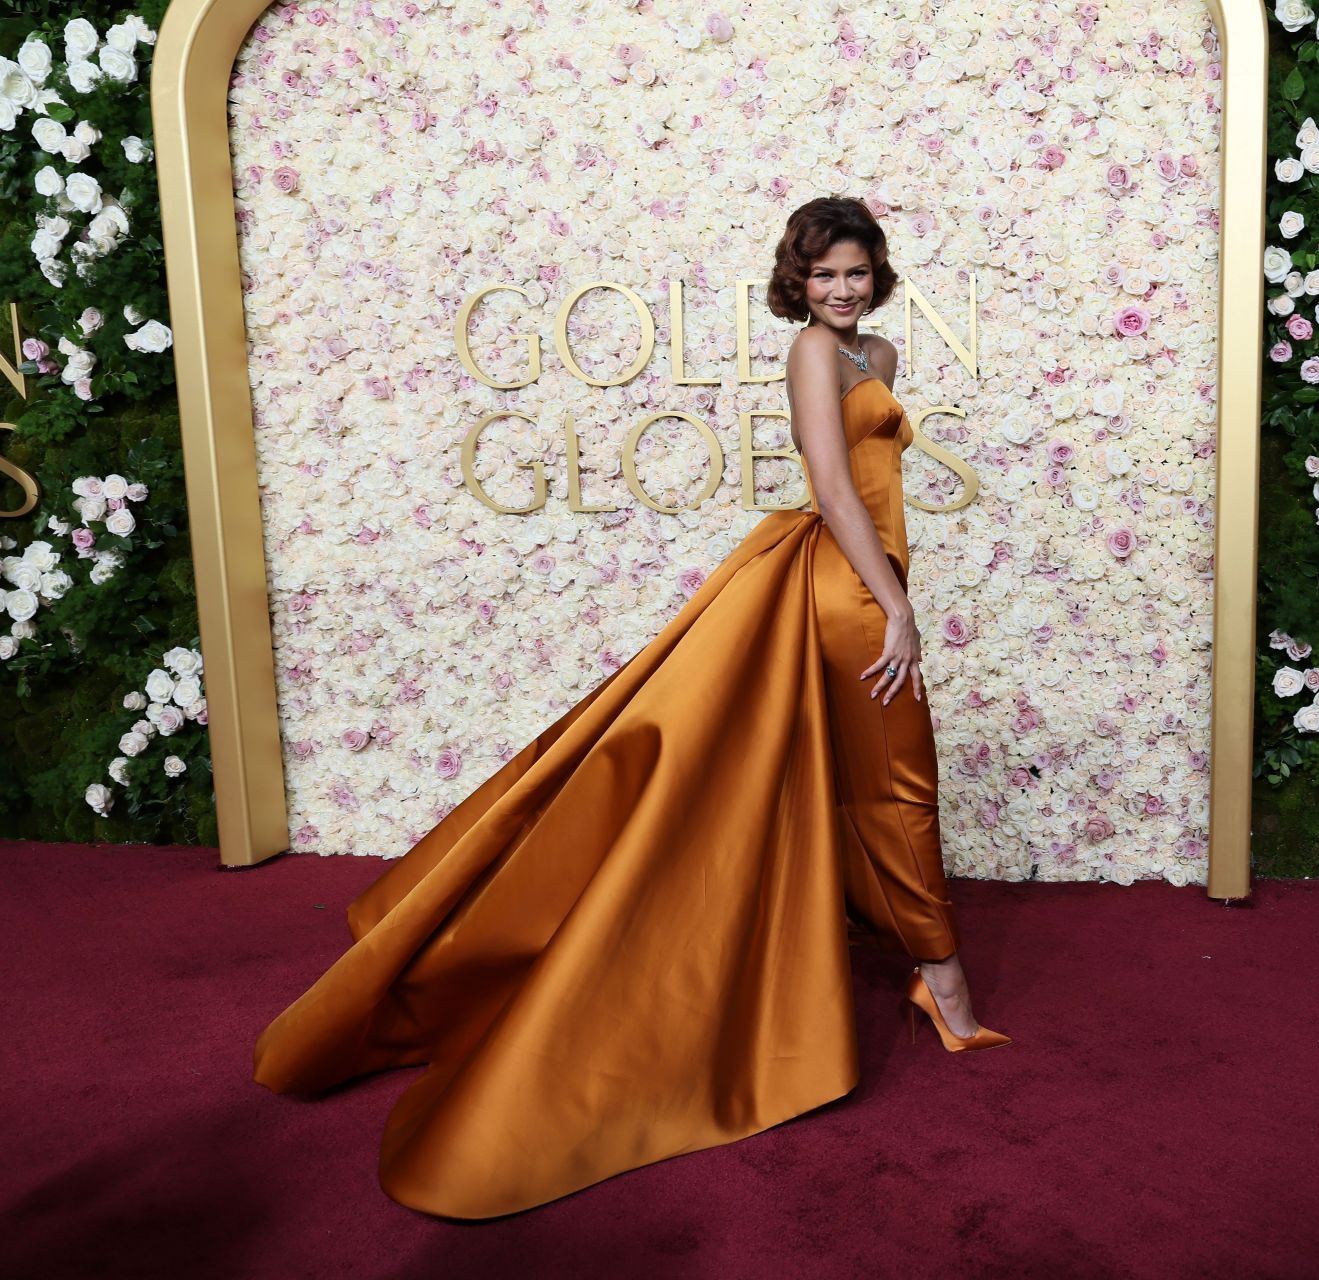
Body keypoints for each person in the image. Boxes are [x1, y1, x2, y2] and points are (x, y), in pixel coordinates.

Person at [251, 197, 1008, 1221]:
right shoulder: (809, 356)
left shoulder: (880, 349)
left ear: (877, 273)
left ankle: (905, 967)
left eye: (857, 271)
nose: (842, 288)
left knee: (868, 777)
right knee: (895, 782)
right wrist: (897, 603)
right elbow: (834, 485)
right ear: (799, 277)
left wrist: (895, 585)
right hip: (847, 590)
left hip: (868, 577)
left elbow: (878, 483)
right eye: (824, 273)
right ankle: (946, 990)